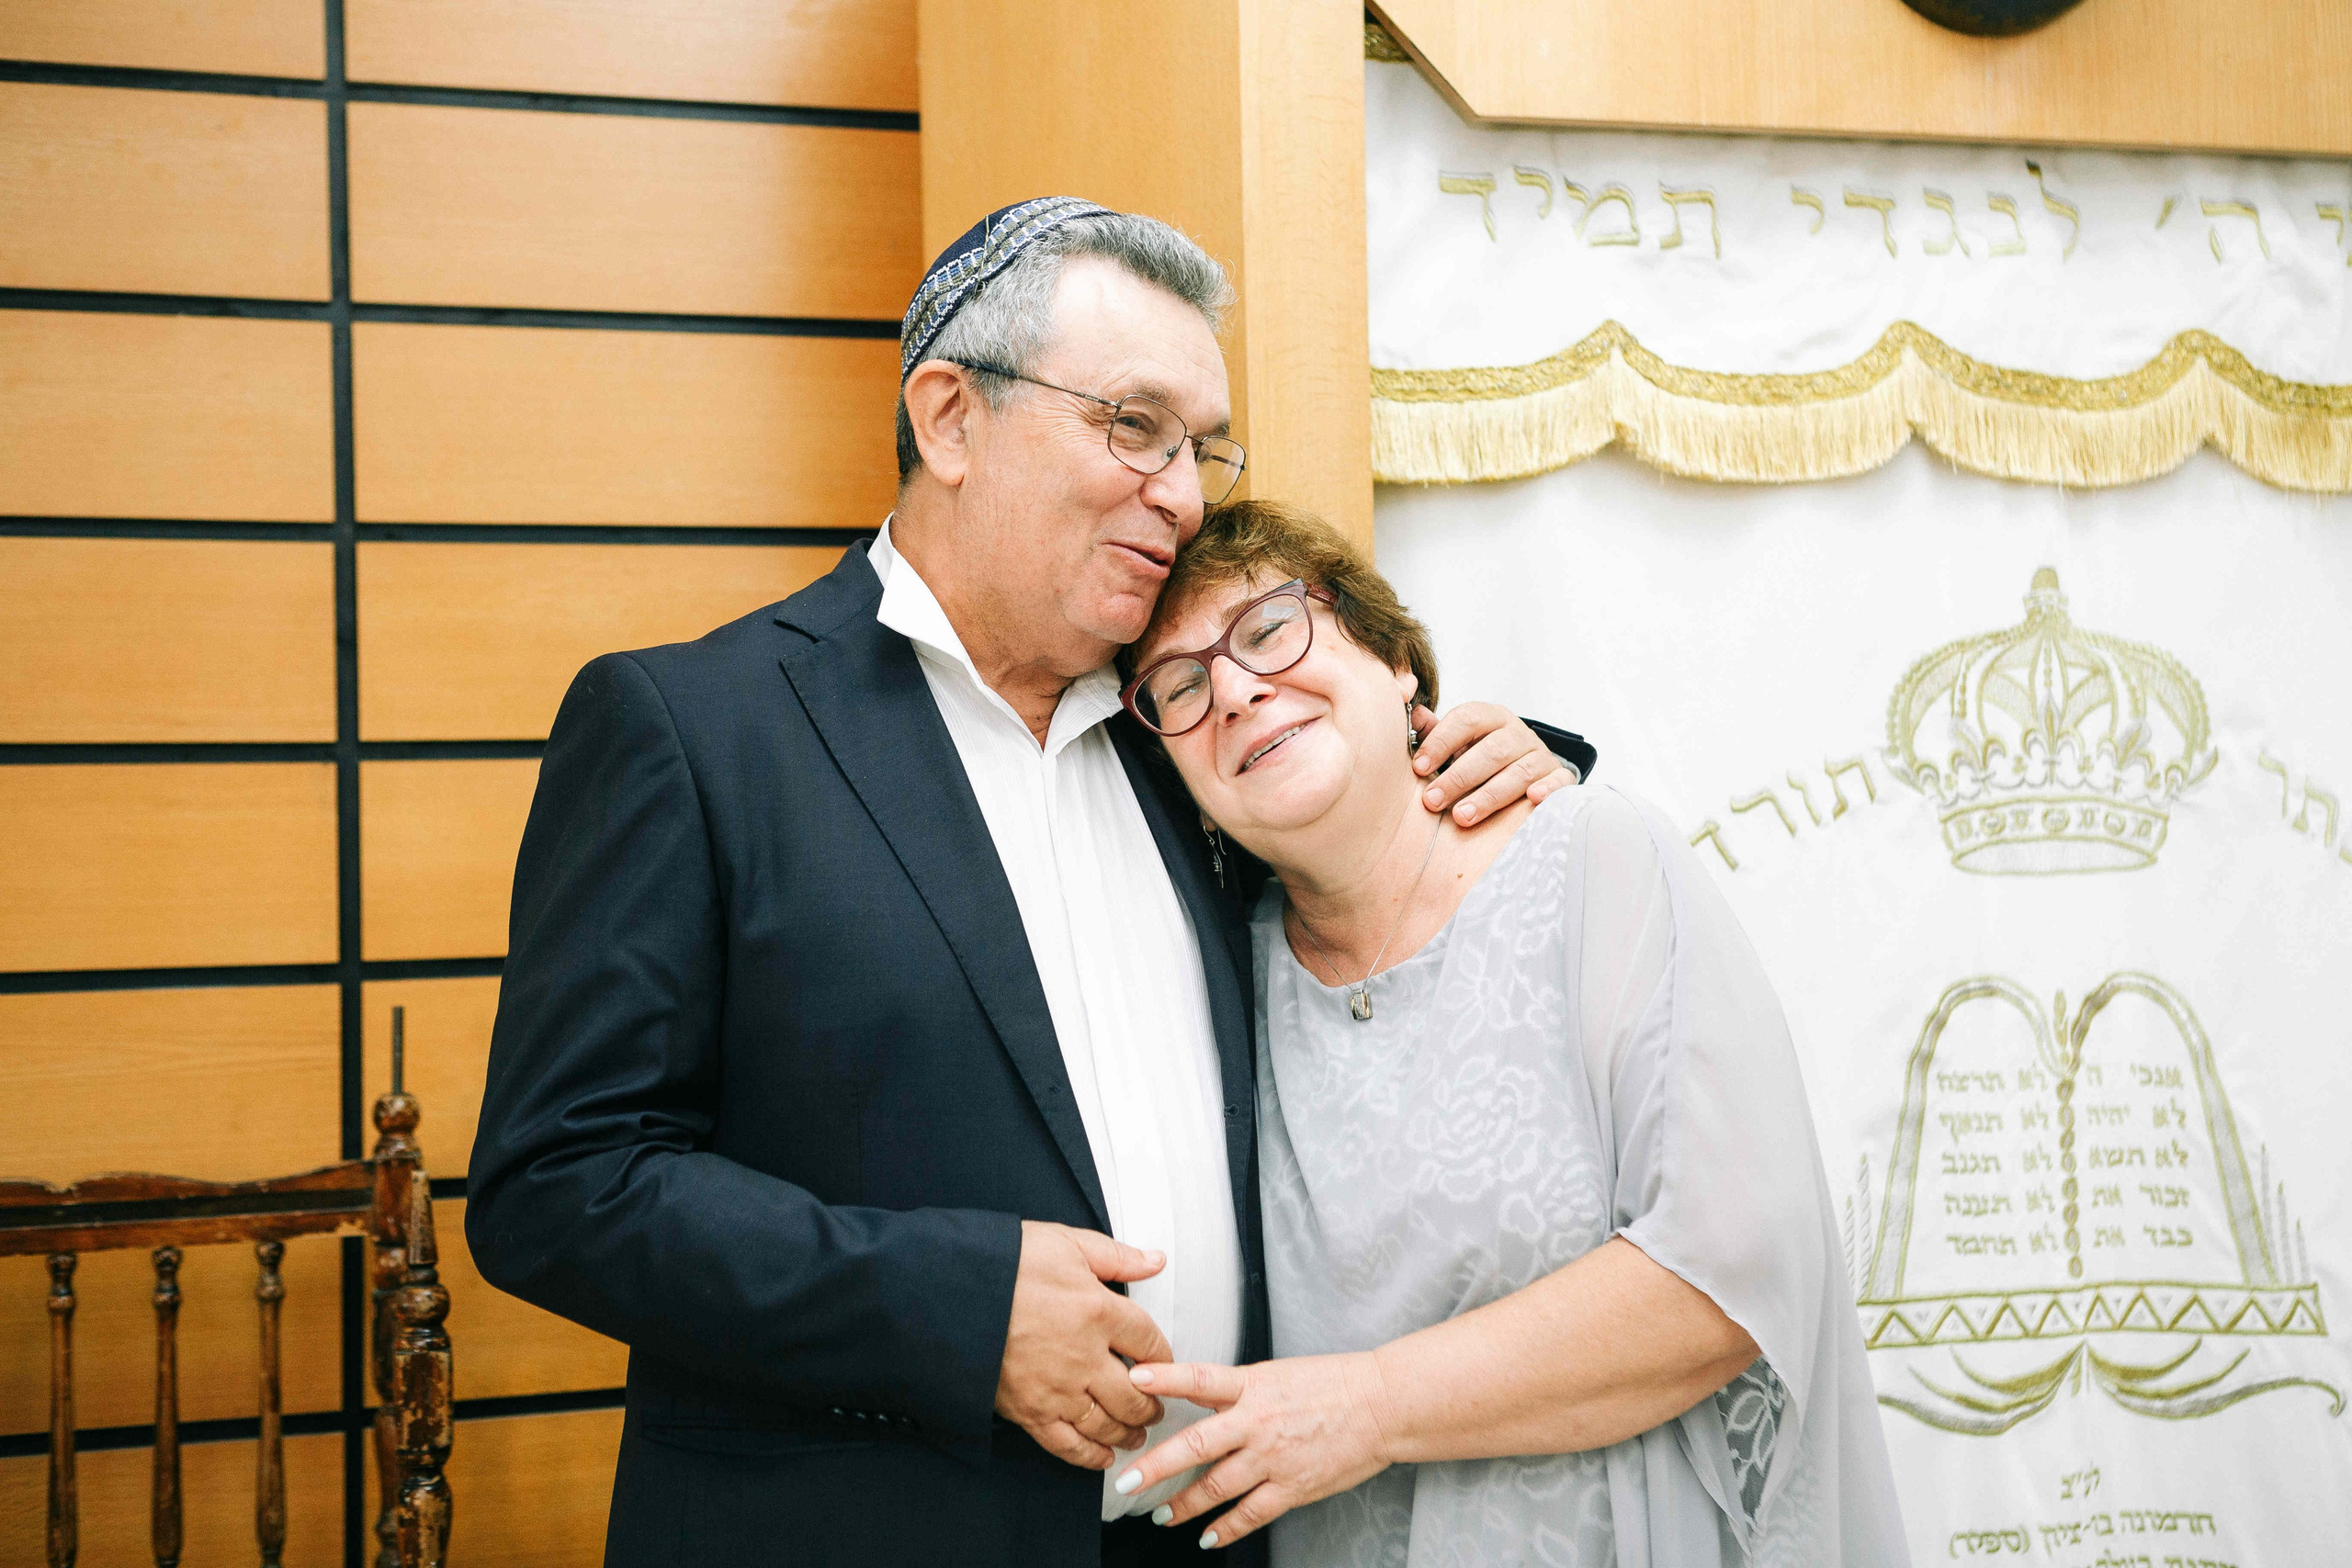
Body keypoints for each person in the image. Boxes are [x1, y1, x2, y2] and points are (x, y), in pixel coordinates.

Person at [465, 198, 1589, 1568]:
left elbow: (1351, 808)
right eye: (1134, 424)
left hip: (1219, 1527)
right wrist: (953, 1305)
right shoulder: (695, 729)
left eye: (1200, 447)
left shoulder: (1190, 729)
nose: (1182, 492)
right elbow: (556, 1183)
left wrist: (1520, 755)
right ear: (948, 417)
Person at [1102, 501, 1909, 1565]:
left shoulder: (1594, 864)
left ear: (1397, 665)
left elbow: (1731, 1270)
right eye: (1181, 688)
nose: (1238, 691)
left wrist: (1370, 1404)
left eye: (1267, 632)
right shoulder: (1214, 984)